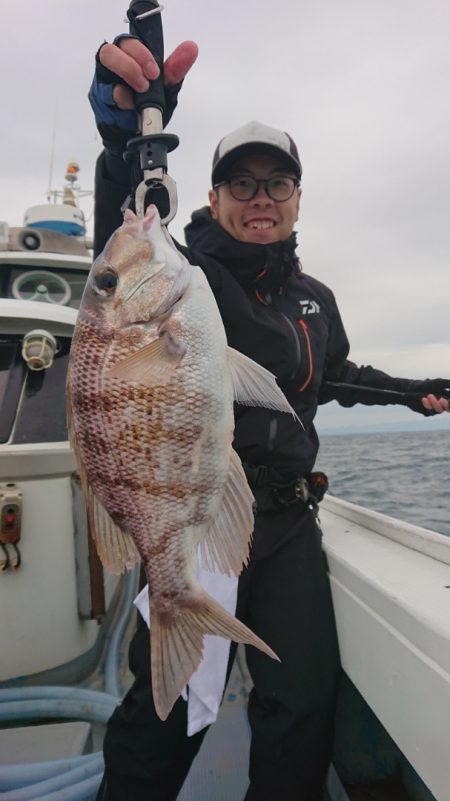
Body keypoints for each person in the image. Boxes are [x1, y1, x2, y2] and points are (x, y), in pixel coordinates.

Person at [90, 36, 449, 801]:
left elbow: (334, 375)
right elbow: (119, 278)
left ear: (296, 198)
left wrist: (418, 389)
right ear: (213, 199)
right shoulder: (187, 275)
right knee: (167, 715)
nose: (260, 197)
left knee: (301, 709)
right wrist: (124, 144)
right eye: (241, 184)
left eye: (277, 183)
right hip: (196, 511)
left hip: (286, 523)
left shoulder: (314, 297)